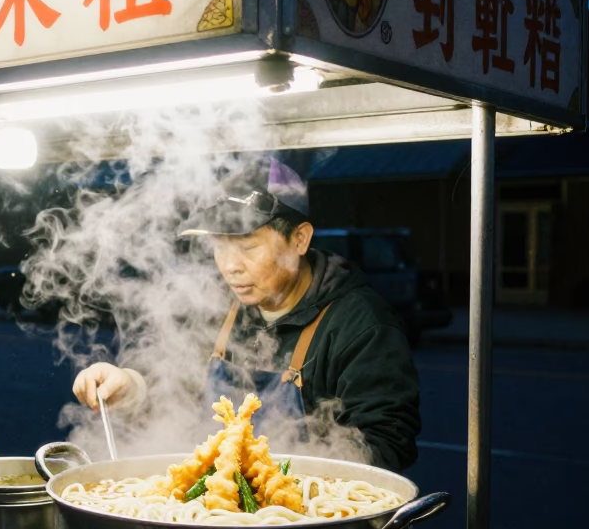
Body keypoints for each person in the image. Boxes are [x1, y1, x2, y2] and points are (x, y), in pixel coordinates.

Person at [72, 157, 420, 472]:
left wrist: (276, 480)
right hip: (215, 507)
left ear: (299, 240)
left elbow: (387, 445)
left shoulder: (362, 325)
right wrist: (130, 383)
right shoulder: (220, 305)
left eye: (248, 247)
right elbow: (175, 382)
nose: (230, 267)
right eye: (219, 248)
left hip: (301, 520)